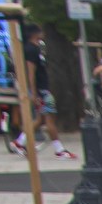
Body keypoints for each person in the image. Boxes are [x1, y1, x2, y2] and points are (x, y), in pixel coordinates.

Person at [10, 24, 74, 158]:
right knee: (50, 118)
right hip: (41, 90)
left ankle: (19, 141)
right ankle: (59, 149)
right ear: (33, 34)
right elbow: (30, 71)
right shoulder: (32, 50)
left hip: (40, 88)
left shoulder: (34, 49)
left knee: (40, 120)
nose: (42, 33)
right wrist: (33, 92)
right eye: (39, 31)